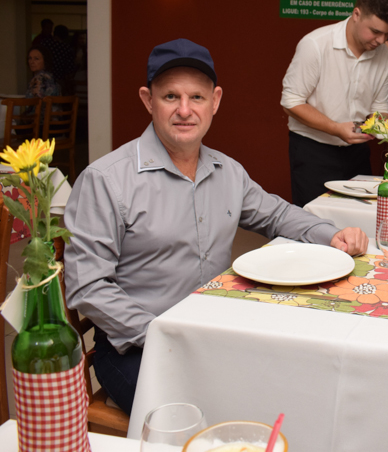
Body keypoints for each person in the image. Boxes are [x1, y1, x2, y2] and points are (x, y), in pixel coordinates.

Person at [64, 39, 369, 415]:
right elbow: (88, 285)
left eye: (197, 97)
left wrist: (330, 233)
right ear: (148, 100)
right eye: (171, 97)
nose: (185, 110)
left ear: (215, 101)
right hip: (140, 346)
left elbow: (276, 214)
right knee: (208, 415)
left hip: (215, 329)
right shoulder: (106, 180)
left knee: (295, 386)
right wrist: (162, 333)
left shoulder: (228, 172)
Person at [281, 0, 388, 207]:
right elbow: (290, 102)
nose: (381, 41)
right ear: (356, 14)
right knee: (313, 221)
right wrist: (335, 128)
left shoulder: (386, 56)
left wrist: (387, 129)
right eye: (375, 32)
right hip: (312, 151)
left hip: (358, 152)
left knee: (360, 219)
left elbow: (379, 109)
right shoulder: (315, 44)